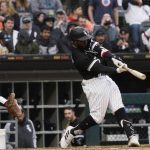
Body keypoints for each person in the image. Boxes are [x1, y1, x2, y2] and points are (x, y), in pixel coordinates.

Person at [60, 27, 140, 148]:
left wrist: (113, 58)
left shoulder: (87, 42)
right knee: (97, 118)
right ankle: (72, 132)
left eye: (86, 38)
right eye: (82, 40)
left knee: (118, 107)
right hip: (93, 83)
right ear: (75, 42)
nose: (85, 41)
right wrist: (117, 70)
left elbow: (102, 51)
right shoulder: (77, 56)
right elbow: (99, 68)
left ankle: (132, 135)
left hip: (106, 80)